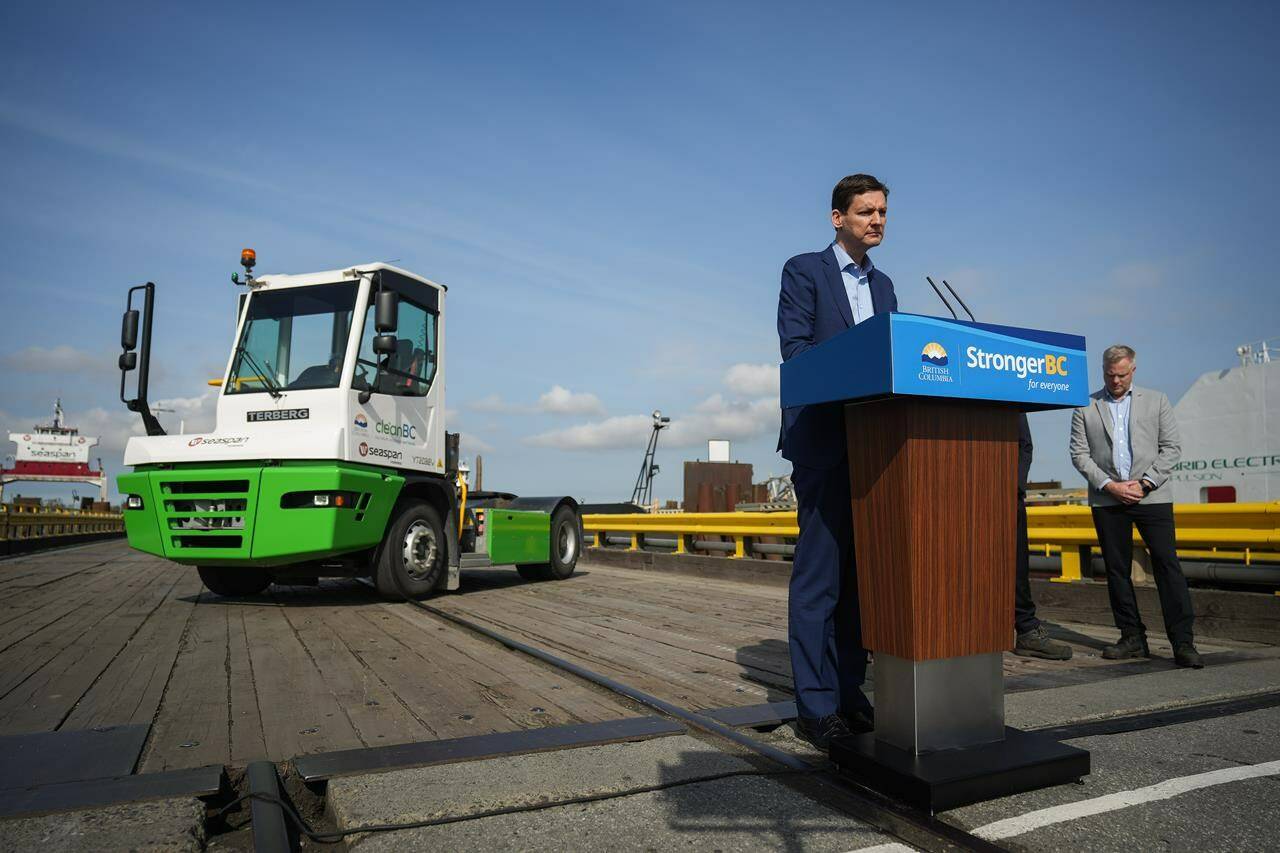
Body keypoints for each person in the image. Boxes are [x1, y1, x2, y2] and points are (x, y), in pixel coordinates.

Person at [777, 174, 897, 749]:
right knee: (820, 580)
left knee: (859, 582)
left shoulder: (888, 287)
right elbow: (797, 351)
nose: (876, 220)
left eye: (882, 212)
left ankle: (850, 692)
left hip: (874, 448)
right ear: (836, 218)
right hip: (823, 443)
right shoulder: (804, 271)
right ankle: (815, 705)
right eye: (865, 211)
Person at [1069, 345, 1203, 668]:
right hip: (1107, 498)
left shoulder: (1157, 401)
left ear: (1133, 370)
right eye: (1109, 375)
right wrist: (1111, 486)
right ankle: (1132, 637)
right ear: (1103, 371)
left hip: (1151, 496)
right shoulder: (1085, 406)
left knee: (1167, 565)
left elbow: (1172, 448)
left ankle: (1183, 642)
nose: (1115, 381)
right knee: (1116, 570)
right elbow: (1079, 454)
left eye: (1122, 375)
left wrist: (1145, 484)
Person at [1013, 413, 1073, 659]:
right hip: (957, 486)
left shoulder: (1005, 387)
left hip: (1005, 491)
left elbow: (1024, 444)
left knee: (1016, 563)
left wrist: (1014, 487)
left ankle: (1026, 629)